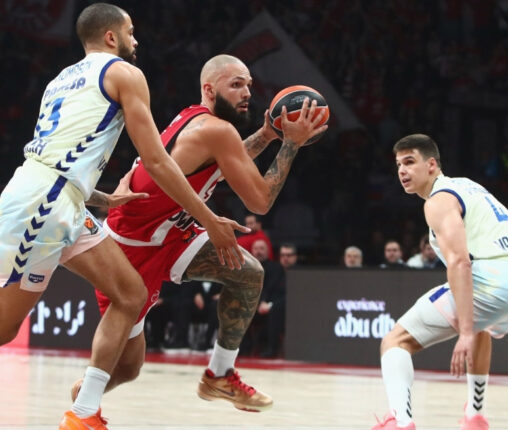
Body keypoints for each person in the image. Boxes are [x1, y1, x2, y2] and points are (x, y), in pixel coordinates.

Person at [0, 4, 247, 430]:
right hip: (46, 204)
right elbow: (156, 160)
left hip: (61, 199)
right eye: (131, 32)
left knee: (130, 294)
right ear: (111, 37)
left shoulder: (61, 79)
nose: (136, 41)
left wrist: (100, 197)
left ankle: (83, 413)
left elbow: (55, 153)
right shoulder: (124, 73)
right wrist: (209, 218)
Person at [75, 54, 327, 412]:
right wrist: (291, 144)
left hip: (170, 232)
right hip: (133, 248)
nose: (247, 93)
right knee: (128, 368)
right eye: (236, 84)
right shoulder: (217, 130)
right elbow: (260, 201)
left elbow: (226, 160)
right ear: (209, 89)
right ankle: (83, 403)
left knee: (248, 274)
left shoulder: (195, 118)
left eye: (249, 85)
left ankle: (219, 375)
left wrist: (268, 135)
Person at [372, 134, 508, 430]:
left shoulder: (438, 201)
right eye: (398, 165)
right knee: (479, 320)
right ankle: (474, 416)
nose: (402, 171)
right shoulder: (470, 187)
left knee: (395, 341)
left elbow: (461, 262)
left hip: (496, 282)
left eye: (410, 162)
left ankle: (401, 422)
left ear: (431, 165)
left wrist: (466, 333)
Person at [250, 239, 286, 358]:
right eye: (256, 248)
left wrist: (264, 302)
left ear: (268, 251)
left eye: (262, 248)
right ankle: (240, 349)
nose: (258, 251)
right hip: (251, 303)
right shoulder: (246, 268)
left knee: (274, 311)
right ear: (251, 250)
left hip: (268, 303)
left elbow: (271, 288)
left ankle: (271, 349)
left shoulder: (275, 268)